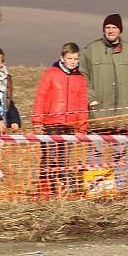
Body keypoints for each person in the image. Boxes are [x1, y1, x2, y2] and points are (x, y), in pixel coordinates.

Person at [33, 42, 89, 197]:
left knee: (63, 160)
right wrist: (37, 121)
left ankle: (60, 191)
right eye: (69, 58)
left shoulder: (80, 79)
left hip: (69, 126)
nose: (72, 61)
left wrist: (82, 127)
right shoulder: (50, 74)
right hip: (50, 124)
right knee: (49, 158)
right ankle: (45, 190)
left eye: (75, 59)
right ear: (62, 58)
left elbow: (83, 104)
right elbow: (40, 97)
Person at [80, 13, 128, 122]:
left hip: (125, 118)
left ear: (120, 30)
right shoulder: (90, 50)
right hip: (98, 117)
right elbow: (81, 77)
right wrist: (91, 100)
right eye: (107, 27)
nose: (110, 31)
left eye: (114, 27)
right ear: (103, 30)